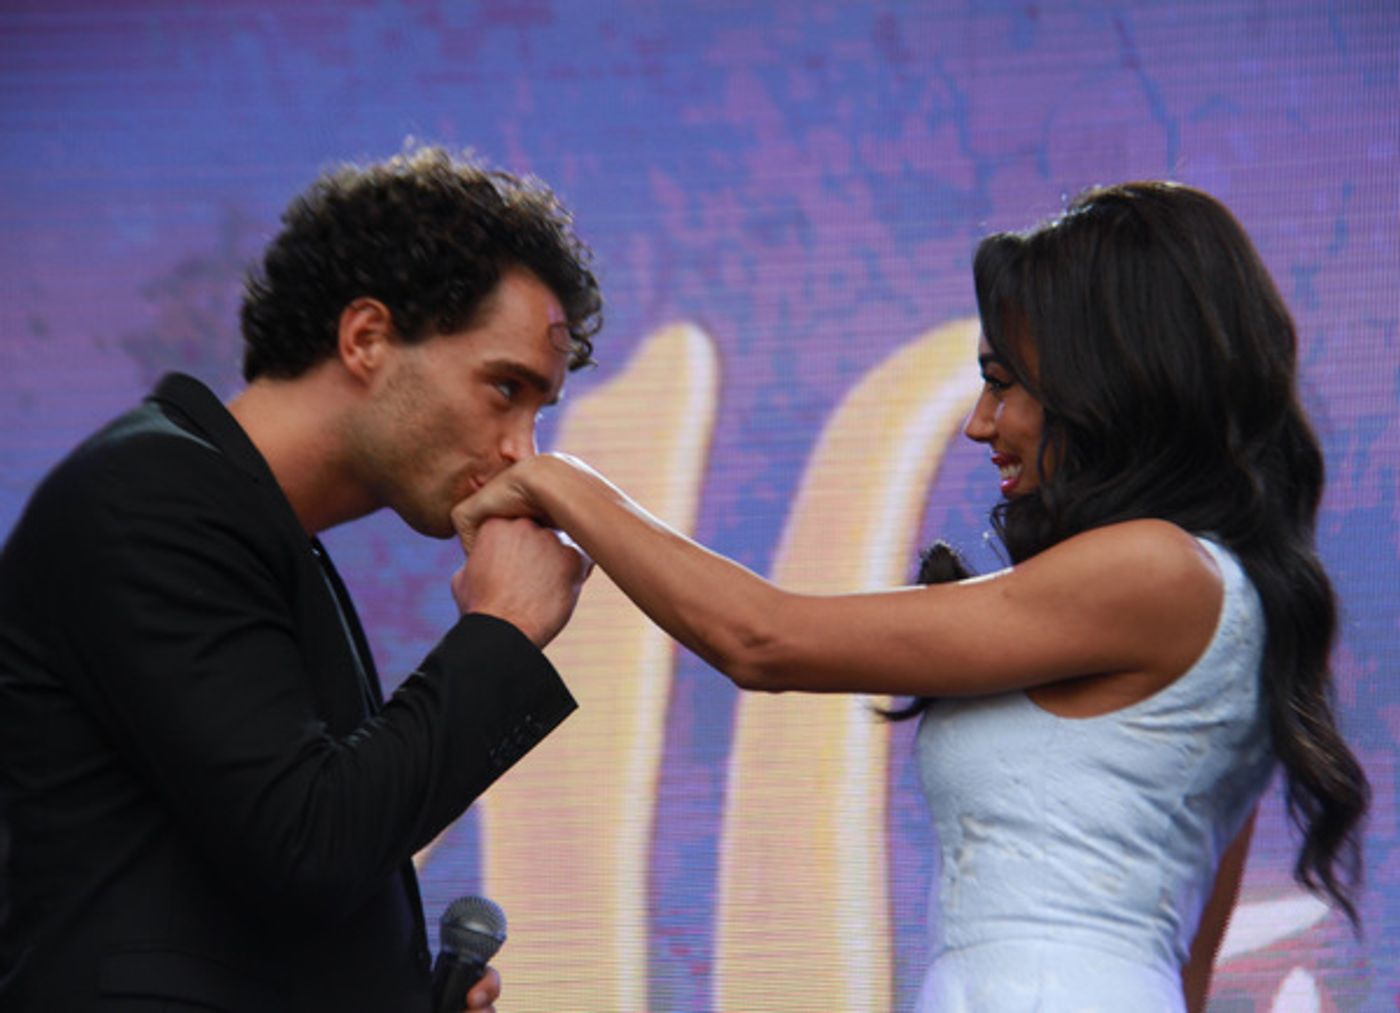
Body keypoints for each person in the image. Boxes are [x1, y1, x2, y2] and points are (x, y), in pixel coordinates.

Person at [451, 181, 1370, 1010]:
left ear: (1118, 381)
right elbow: (1189, 976)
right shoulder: (1211, 595)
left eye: (1004, 386)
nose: (979, 425)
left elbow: (761, 637)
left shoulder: (1160, 572)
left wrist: (562, 484)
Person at [0, 146, 601, 1011]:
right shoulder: (156, 495)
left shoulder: (253, 523)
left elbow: (246, 879)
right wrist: (499, 632)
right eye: (503, 387)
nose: (521, 449)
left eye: (539, 409)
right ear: (366, 338)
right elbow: (305, 846)